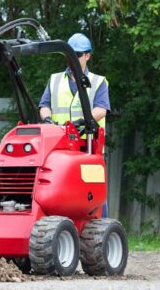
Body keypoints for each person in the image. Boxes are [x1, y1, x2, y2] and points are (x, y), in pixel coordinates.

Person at [38, 33, 110, 217]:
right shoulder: (54, 80)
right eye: (70, 55)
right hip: (60, 146)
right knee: (62, 190)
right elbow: (44, 105)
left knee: (94, 193)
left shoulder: (98, 82)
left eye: (77, 55)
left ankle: (101, 231)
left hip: (89, 147)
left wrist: (83, 122)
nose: (74, 59)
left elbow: (101, 109)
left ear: (88, 56)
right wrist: (47, 120)